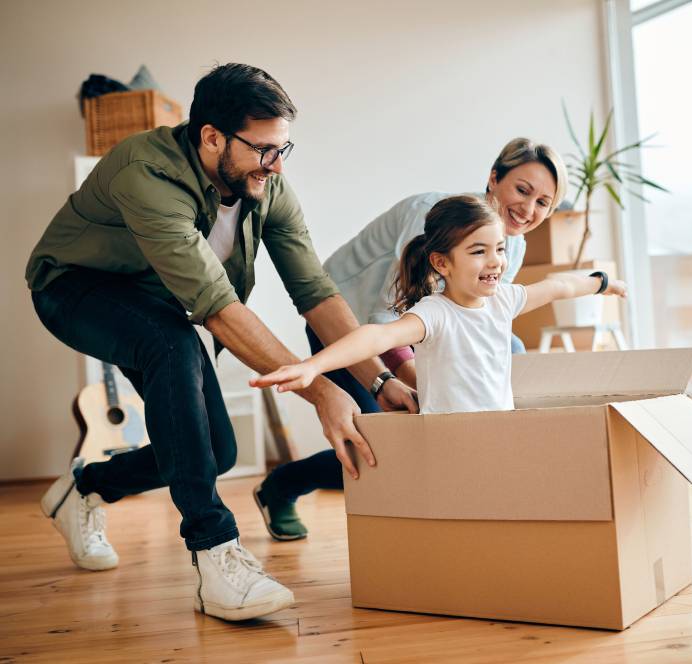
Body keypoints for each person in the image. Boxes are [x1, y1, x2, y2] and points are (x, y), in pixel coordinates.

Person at [25, 63, 416, 622]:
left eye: (284, 149)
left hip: (154, 301)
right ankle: (216, 556)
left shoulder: (266, 184)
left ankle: (85, 488)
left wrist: (379, 378)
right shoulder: (146, 172)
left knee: (217, 452)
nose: (276, 165)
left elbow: (316, 292)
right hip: (72, 286)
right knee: (171, 342)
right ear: (211, 137)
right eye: (264, 149)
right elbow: (216, 309)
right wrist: (321, 391)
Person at [252, 138, 569, 539]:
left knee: (513, 353)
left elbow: (483, 318)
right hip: (347, 323)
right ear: (494, 178)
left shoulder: (513, 243)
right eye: (522, 190)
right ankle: (281, 486)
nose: (528, 210)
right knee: (378, 445)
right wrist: (412, 376)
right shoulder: (430, 216)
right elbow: (391, 312)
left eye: (544, 202)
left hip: (411, 331)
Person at [252, 196, 627, 415]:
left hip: (498, 434)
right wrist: (312, 366)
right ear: (441, 263)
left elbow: (557, 286)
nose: (495, 260)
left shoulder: (503, 300)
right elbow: (374, 338)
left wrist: (601, 284)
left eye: (499, 249)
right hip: (449, 440)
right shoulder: (435, 314)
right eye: (478, 252)